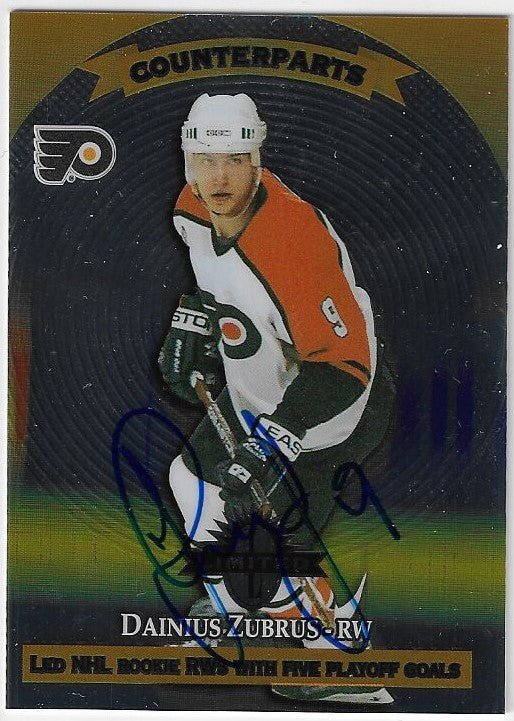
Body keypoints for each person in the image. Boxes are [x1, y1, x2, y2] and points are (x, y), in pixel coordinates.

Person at [159, 93, 395, 704]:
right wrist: (197, 322)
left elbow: (344, 364)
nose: (218, 177)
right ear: (187, 159)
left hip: (333, 407)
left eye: (235, 160)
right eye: (205, 159)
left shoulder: (293, 239)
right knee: (192, 479)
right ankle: (237, 604)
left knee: (274, 528)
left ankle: (337, 661)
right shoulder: (191, 209)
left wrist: (272, 441)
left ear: (258, 159)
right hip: (263, 390)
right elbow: (233, 292)